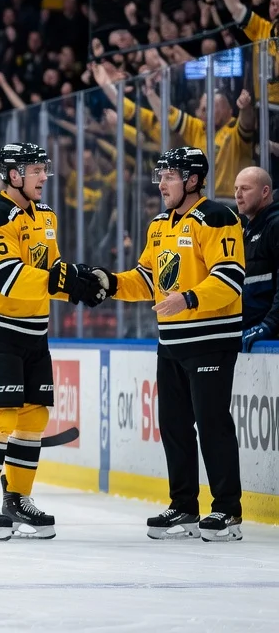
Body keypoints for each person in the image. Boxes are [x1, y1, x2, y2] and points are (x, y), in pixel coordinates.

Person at [90, 148, 246, 542]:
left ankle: (227, 510)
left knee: (212, 424)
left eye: (170, 176)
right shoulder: (159, 225)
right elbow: (146, 278)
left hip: (210, 339)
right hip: (171, 341)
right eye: (160, 176)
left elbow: (229, 277)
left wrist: (188, 299)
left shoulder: (217, 217)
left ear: (193, 180)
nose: (161, 184)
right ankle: (184, 508)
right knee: (174, 425)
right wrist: (109, 283)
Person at [0, 143, 102, 540]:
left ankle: (17, 499)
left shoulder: (46, 216)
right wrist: (63, 280)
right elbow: (6, 275)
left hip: (33, 328)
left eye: (44, 169)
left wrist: (78, 284)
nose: (44, 176)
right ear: (13, 174)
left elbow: (49, 271)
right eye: (36, 169)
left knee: (35, 415)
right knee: (2, 414)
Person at [233, 167, 279, 350]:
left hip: (270, 338)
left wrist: (269, 325)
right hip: (249, 334)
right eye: (236, 189)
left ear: (265, 191)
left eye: (245, 189)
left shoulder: (275, 226)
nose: (238, 194)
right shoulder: (246, 229)